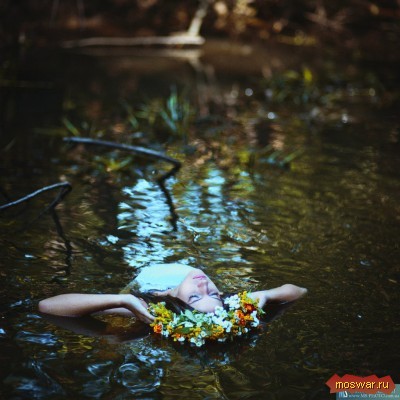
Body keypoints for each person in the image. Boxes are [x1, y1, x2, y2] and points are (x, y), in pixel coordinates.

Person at [38, 263, 307, 324]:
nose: (204, 287)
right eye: (214, 295)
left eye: (194, 297)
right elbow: (298, 291)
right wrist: (266, 296)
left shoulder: (152, 306)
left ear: (175, 303)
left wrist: (124, 299)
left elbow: (47, 306)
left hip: (145, 275)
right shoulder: (228, 300)